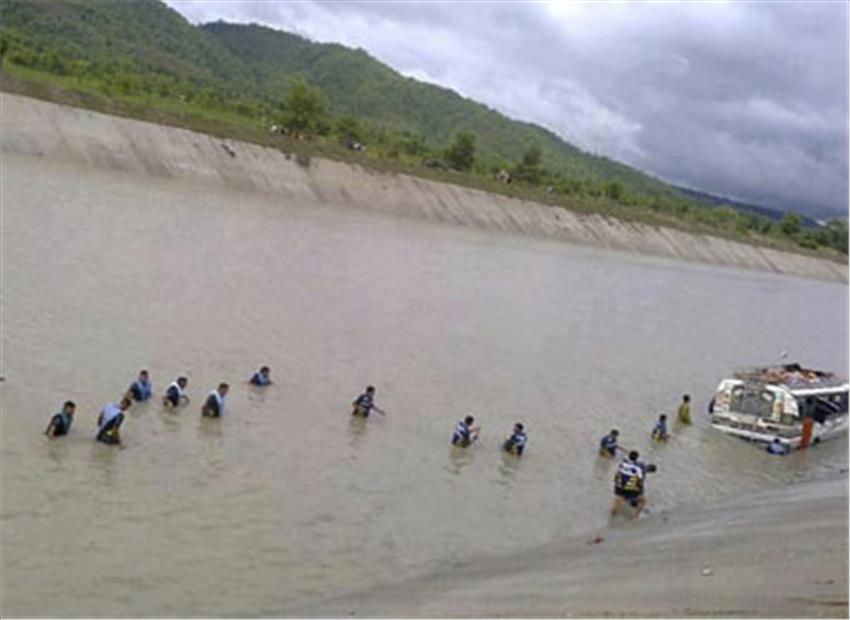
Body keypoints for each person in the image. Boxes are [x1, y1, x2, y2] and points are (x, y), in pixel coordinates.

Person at [610, 450, 655, 518]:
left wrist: (616, 482)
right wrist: (640, 490)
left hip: (619, 485)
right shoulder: (639, 466)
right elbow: (640, 480)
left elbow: (617, 474)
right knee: (642, 501)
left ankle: (612, 516)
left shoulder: (623, 463)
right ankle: (635, 517)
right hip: (631, 486)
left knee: (618, 499)